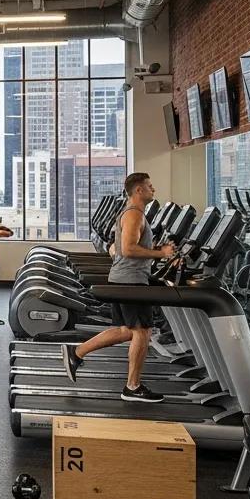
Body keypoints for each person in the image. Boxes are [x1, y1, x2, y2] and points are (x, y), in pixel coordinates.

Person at [60, 172, 176, 403]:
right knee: (143, 332)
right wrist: (160, 253)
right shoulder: (134, 215)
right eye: (150, 186)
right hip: (131, 281)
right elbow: (128, 249)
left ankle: (76, 352)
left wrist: (156, 251)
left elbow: (115, 248)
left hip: (127, 278)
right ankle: (132, 387)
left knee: (126, 330)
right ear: (138, 191)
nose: (154, 190)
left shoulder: (131, 214)